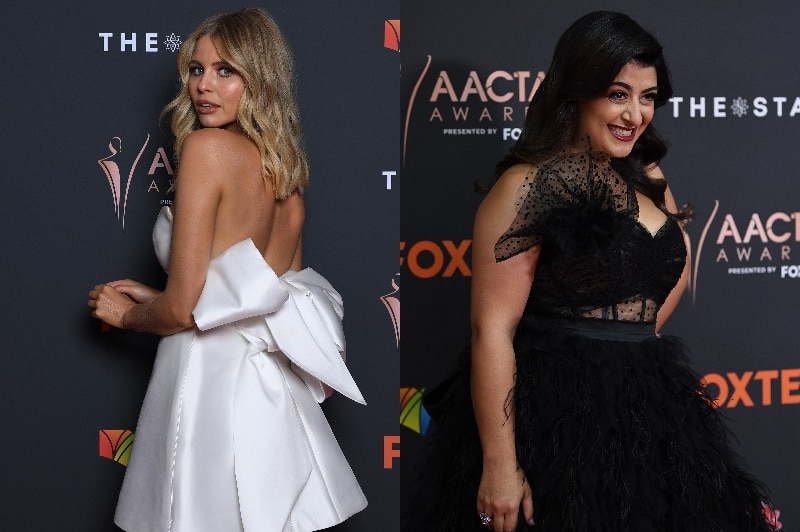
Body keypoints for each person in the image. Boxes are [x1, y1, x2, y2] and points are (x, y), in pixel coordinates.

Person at [412, 11, 777, 532]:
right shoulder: (528, 183)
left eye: (648, 96)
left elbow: (669, 270)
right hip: (556, 418)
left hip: (649, 407)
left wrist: (632, 338)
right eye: (618, 93)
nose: (636, 113)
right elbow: (491, 329)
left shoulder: (648, 174)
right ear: (577, 91)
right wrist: (501, 465)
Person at [88, 8, 367, 531]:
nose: (204, 86)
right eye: (196, 70)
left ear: (258, 80)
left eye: (225, 71)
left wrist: (129, 316)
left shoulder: (205, 149)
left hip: (208, 382)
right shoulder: (286, 170)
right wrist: (158, 294)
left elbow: (180, 311)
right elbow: (273, 291)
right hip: (269, 383)